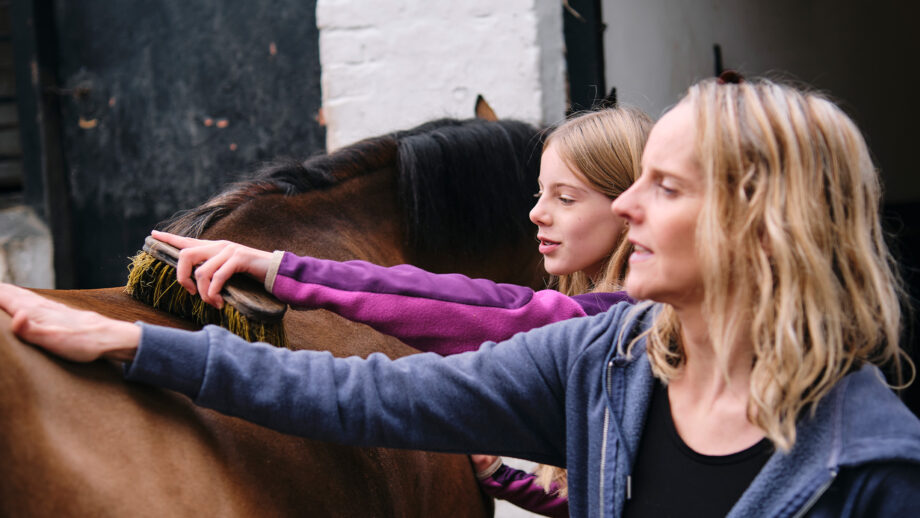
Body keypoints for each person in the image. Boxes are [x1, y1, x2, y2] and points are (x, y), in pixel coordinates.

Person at [4, 77, 920, 517]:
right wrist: (135, 346)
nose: (628, 206)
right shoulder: (601, 365)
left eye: (665, 186)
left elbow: (470, 308)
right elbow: (358, 394)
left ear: (761, 224)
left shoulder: (874, 470)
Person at [143, 105, 652, 518]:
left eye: (566, 198)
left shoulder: (604, 324)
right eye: (540, 193)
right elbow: (607, 497)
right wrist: (503, 477)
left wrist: (281, 269)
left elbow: (468, 304)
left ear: (630, 208)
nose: (536, 213)